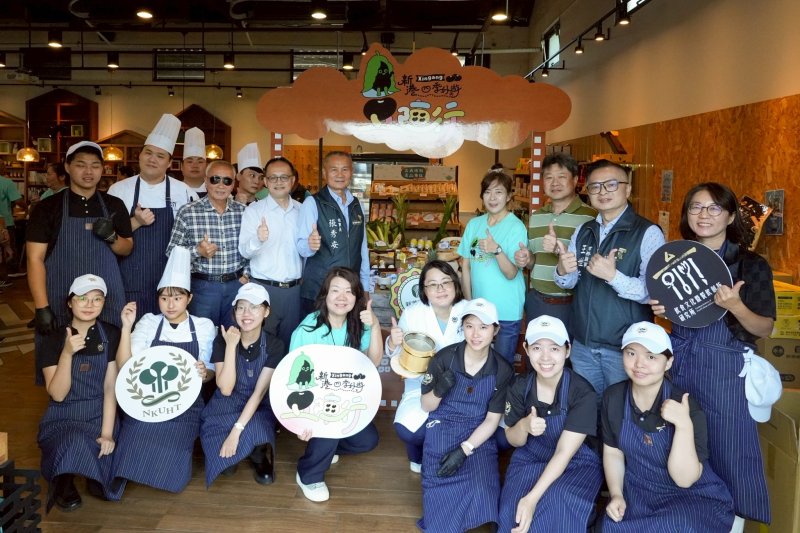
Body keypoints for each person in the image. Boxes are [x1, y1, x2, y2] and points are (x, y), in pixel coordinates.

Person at [650, 182, 775, 531]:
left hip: (725, 371)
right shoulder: (674, 259)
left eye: (713, 208)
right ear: (686, 215)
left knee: (728, 453)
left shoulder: (750, 265)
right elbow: (678, 314)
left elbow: (764, 328)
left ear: (731, 215)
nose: (704, 215)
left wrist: (736, 306)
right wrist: (662, 310)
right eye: (695, 207)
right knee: (682, 446)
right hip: (682, 364)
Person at [602, 321, 734, 532]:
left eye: (651, 357)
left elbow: (685, 480)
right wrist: (616, 494)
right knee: (612, 527)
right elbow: (613, 451)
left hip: (692, 497)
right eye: (631, 353)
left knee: (675, 527)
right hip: (640, 493)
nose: (639, 364)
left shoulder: (685, 404)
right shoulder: (614, 397)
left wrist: (683, 425)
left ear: (669, 362)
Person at [109, 246, 216, 498]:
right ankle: (124, 473)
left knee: (175, 449)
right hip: (147, 400)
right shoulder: (148, 322)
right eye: (164, 298)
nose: (170, 304)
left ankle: (162, 474)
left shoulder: (202, 326)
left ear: (189, 298)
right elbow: (126, 366)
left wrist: (204, 372)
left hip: (186, 403)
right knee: (135, 431)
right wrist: (126, 328)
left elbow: (210, 371)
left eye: (177, 297)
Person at [554, 159, 665, 399]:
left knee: (621, 412)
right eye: (595, 187)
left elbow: (653, 292)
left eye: (611, 184)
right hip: (583, 343)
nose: (602, 192)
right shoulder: (584, 231)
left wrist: (613, 276)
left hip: (626, 347)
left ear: (627, 189)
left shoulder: (648, 232)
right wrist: (563, 270)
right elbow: (571, 282)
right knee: (587, 408)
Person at [418, 298, 514, 533]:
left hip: (477, 431)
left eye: (484, 327)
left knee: (483, 490)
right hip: (442, 424)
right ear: (463, 327)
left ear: (495, 330)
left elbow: (492, 419)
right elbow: (426, 405)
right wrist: (439, 390)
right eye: (470, 326)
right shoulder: (444, 358)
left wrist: (465, 449)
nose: (476, 334)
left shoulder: (502, 369)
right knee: (439, 483)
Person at [498, 315, 601, 532]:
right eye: (537, 348)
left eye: (554, 348)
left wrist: (532, 499)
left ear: (567, 350)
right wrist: (524, 426)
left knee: (557, 503)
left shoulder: (582, 393)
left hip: (577, 461)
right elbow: (512, 439)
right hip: (530, 456)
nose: (545, 357)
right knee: (512, 512)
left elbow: (564, 452)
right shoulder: (520, 386)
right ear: (526, 349)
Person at [289, 267, 383, 502]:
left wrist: (375, 325)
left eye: (349, 292)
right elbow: (292, 379)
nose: (342, 297)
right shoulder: (308, 328)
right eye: (336, 290)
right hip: (312, 402)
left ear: (356, 298)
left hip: (342, 400)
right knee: (332, 423)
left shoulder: (355, 324)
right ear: (325, 295)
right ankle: (308, 474)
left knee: (367, 440)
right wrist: (301, 418)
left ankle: (326, 446)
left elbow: (373, 361)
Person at [27, 141, 132, 342]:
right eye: (80, 164)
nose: (88, 171)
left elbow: (127, 248)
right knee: (56, 357)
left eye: (95, 165)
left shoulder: (114, 204)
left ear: (102, 169)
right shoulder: (47, 208)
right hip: (60, 295)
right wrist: (41, 306)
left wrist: (112, 237)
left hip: (106, 297)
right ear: (67, 167)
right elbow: (34, 259)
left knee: (109, 352)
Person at [37, 274, 119, 512]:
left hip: (97, 413)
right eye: (82, 298)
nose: (90, 305)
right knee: (72, 441)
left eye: (97, 299)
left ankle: (93, 472)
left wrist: (107, 433)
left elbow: (110, 388)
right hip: (62, 415)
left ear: (104, 303)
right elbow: (58, 394)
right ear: (69, 302)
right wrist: (67, 354)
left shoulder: (110, 334)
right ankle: (64, 481)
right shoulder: (53, 339)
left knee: (106, 453)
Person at [108, 113, 197, 320]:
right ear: (139, 155)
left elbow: (191, 237)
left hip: (170, 283)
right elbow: (109, 236)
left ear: (169, 163)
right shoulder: (118, 190)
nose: (152, 159)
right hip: (131, 278)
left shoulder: (184, 192)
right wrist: (136, 222)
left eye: (160, 156)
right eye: (148, 153)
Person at [385, 260, 469, 473]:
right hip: (421, 386)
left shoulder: (468, 310)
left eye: (445, 282)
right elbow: (398, 354)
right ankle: (417, 455)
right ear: (424, 289)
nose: (440, 289)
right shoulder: (413, 313)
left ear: (455, 284)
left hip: (461, 388)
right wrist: (393, 342)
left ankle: (449, 454)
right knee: (410, 430)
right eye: (432, 284)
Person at [200, 283, 285, 487]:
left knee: (255, 428)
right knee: (225, 467)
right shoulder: (222, 341)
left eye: (254, 307)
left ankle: (258, 454)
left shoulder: (275, 345)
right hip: (227, 402)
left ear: (266, 311)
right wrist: (230, 346)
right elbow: (226, 388)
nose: (246, 314)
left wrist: (235, 432)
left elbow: (259, 393)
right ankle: (242, 449)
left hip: (257, 405)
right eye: (241, 307)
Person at [513, 153, 596, 331]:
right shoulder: (537, 217)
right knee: (534, 356)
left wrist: (561, 251)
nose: (554, 183)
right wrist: (528, 259)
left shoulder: (591, 218)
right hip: (537, 300)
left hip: (572, 303)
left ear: (575, 180)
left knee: (566, 357)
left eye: (561, 177)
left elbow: (594, 264)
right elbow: (535, 262)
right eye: (549, 177)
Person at [457, 168, 527, 366]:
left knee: (502, 366)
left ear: (508, 196)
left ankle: (501, 397)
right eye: (487, 192)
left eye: (498, 192)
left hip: (506, 311)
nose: (493, 197)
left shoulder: (516, 227)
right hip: (479, 311)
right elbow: (466, 265)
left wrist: (496, 250)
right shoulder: (474, 225)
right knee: (477, 363)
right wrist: (469, 302)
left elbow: (512, 273)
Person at [167, 160, 247, 329]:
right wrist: (197, 251)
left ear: (233, 184)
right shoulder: (188, 211)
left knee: (234, 336)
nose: (220, 185)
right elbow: (171, 252)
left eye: (227, 181)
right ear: (206, 180)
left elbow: (251, 247)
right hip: (202, 287)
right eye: (215, 179)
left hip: (236, 284)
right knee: (203, 338)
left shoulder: (243, 211)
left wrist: (247, 274)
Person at [239, 155, 304, 349]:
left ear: (292, 180)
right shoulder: (254, 211)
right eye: (273, 178)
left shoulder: (303, 211)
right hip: (263, 289)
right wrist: (258, 239)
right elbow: (244, 251)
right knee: (261, 347)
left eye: (284, 177)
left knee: (290, 347)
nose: (278, 182)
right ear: (265, 181)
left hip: (295, 291)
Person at [296, 151, 369, 315]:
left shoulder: (356, 204)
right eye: (334, 169)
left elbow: (362, 248)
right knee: (318, 337)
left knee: (347, 337)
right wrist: (310, 244)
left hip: (350, 290)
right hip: (320, 290)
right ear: (324, 173)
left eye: (345, 169)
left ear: (352, 172)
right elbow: (301, 248)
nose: (340, 175)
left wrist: (365, 286)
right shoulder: (312, 203)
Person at [0, 159, 26, 280]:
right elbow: (18, 201)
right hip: (4, 222)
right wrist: (29, 207)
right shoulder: (7, 183)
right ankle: (12, 270)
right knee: (10, 246)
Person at [180, 127, 208, 198]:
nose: (195, 165)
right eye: (189, 161)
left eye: (200, 162)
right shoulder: (171, 191)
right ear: (182, 167)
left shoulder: (217, 192)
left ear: (207, 167)